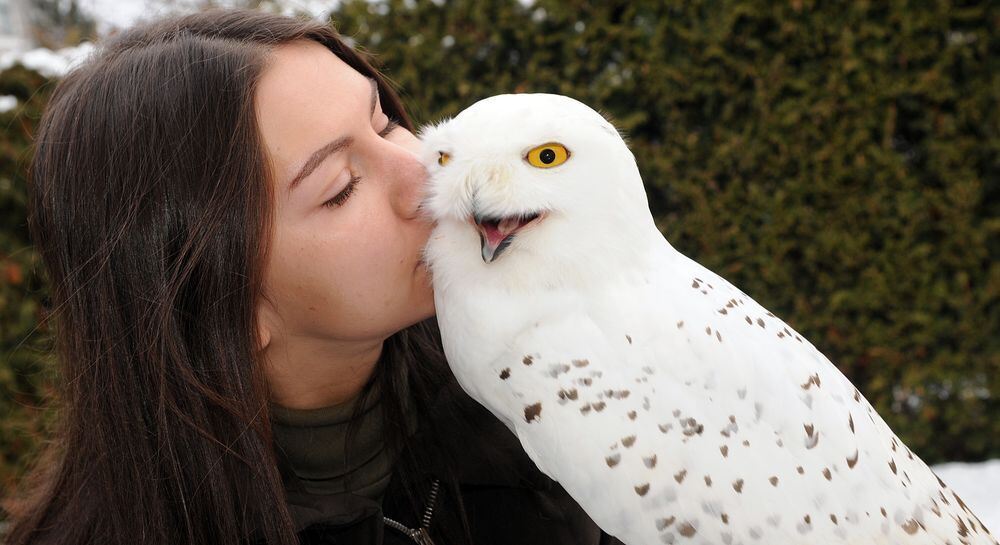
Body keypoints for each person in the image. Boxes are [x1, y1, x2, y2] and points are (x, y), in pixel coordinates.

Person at [2, 8, 621, 545]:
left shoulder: (564, 396)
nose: (424, 175)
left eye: (383, 122)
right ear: (229, 308)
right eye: (341, 188)